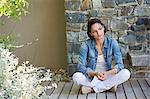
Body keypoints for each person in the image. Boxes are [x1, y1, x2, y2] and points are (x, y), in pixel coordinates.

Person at [72, 18, 130, 94]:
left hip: (108, 76)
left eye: (100, 29)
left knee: (126, 73)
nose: (99, 33)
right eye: (94, 31)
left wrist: (107, 73)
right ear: (91, 33)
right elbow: (80, 66)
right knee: (76, 76)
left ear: (103, 28)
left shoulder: (112, 43)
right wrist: (95, 74)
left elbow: (120, 65)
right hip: (92, 77)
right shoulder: (85, 45)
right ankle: (108, 87)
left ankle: (92, 89)